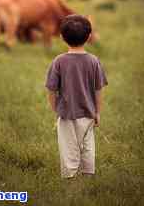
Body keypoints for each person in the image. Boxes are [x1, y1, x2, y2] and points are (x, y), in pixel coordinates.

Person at [45, 14, 108, 178]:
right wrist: (97, 112)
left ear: (61, 37)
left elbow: (51, 90)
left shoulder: (58, 61)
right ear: (88, 37)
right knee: (88, 146)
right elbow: (98, 90)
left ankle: (70, 177)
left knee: (68, 147)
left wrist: (56, 110)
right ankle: (88, 173)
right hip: (88, 114)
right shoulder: (94, 61)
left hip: (66, 114)